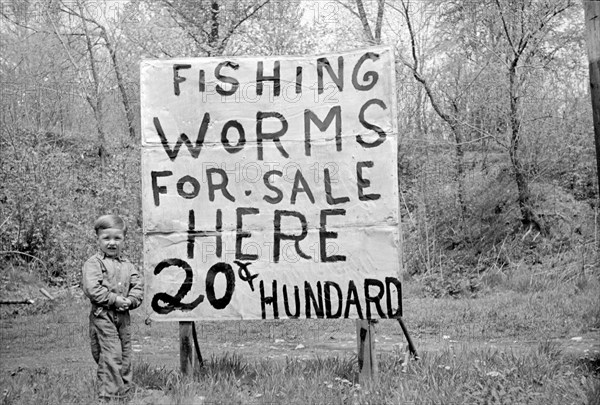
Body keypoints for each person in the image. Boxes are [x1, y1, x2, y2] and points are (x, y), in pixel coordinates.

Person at [81, 214, 143, 400]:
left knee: (125, 354)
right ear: (98, 239)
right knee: (110, 354)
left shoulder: (128, 265)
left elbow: (138, 287)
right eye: (106, 238)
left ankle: (123, 393)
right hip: (103, 315)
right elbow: (92, 289)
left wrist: (131, 300)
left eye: (117, 238)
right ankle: (109, 397)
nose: (112, 243)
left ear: (124, 239)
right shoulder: (94, 263)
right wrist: (114, 299)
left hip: (123, 317)